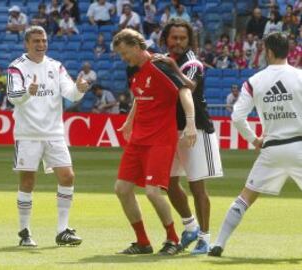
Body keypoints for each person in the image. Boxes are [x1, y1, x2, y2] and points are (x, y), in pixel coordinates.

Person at [209, 32, 302, 257]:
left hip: (271, 149)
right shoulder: (300, 76)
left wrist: (254, 140)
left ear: (268, 51)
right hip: (300, 146)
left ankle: (218, 244)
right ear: (287, 51)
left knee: (245, 198)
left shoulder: (254, 81)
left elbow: (237, 117)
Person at [113, 28, 197, 255]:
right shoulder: (132, 69)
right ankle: (142, 242)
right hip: (139, 137)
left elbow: (184, 91)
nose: (124, 58)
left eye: (124, 53)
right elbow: (139, 97)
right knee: (121, 188)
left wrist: (190, 122)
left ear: (136, 46)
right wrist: (130, 121)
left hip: (161, 139)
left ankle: (172, 239)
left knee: (152, 192)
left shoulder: (160, 65)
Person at [7, 26, 89, 247]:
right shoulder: (16, 68)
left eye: (43, 40)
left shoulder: (56, 66)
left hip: (54, 132)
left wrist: (80, 89)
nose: (41, 44)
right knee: (27, 181)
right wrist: (27, 92)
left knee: (67, 176)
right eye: (36, 41)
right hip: (28, 133)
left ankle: (62, 230)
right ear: (27, 43)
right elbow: (12, 96)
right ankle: (24, 232)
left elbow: (70, 94)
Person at [150, 19, 223, 254]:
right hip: (171, 130)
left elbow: (188, 87)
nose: (179, 42)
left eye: (183, 38)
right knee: (169, 183)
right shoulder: (162, 60)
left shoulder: (193, 62)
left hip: (196, 129)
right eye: (174, 38)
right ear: (166, 39)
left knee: (197, 186)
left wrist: (171, 65)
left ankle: (205, 237)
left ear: (189, 40)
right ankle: (190, 226)